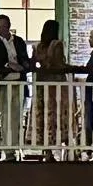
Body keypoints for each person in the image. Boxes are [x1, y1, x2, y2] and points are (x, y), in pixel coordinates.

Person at [0, 13, 30, 153]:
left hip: (19, 81)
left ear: (9, 26)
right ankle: (8, 149)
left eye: (3, 27)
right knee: (5, 116)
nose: (1, 30)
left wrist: (22, 66)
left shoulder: (19, 41)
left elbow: (24, 58)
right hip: (3, 82)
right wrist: (8, 66)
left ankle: (15, 145)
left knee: (17, 115)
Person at [28, 18, 71, 154]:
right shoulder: (57, 44)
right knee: (57, 112)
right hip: (55, 83)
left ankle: (46, 150)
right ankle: (62, 144)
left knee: (43, 113)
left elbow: (32, 64)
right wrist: (72, 67)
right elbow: (58, 64)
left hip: (41, 82)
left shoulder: (37, 46)